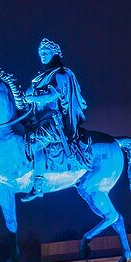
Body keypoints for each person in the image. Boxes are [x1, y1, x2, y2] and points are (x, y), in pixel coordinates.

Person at [18, 38, 90, 201]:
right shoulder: (39, 77)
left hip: (54, 122)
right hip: (38, 119)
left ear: (55, 53)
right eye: (40, 53)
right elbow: (28, 94)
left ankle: (38, 186)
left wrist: (33, 98)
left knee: (35, 143)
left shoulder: (62, 73)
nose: (42, 55)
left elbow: (53, 94)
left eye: (46, 52)